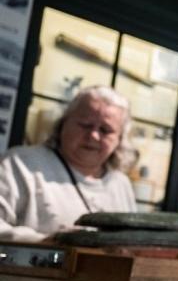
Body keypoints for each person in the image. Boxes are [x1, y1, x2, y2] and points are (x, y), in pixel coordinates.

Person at [0, 85, 138, 242]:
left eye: (105, 130)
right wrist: (45, 242)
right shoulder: (20, 163)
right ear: (63, 123)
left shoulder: (120, 184)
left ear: (120, 139)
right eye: (85, 124)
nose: (93, 135)